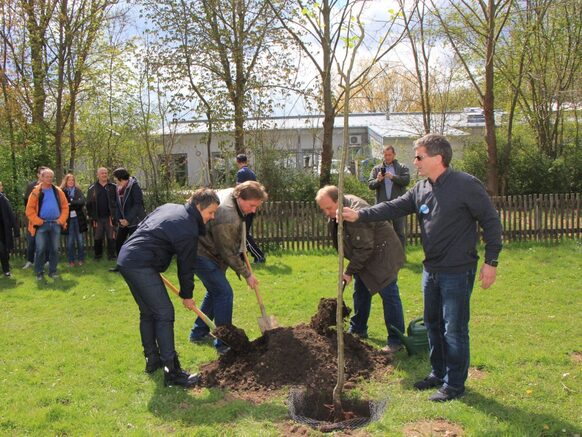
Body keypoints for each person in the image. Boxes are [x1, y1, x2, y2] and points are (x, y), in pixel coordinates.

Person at [343, 134, 503, 402]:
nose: (414, 162)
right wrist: (360, 214)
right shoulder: (421, 188)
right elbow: (393, 207)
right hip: (431, 270)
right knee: (433, 324)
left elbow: (491, 222)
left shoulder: (466, 185)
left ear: (437, 158)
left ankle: (454, 385)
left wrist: (491, 261)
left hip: (457, 269)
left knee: (454, 328)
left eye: (419, 157)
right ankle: (438, 373)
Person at [117, 188, 220, 387]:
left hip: (127, 258)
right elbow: (186, 266)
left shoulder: (170, 208)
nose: (212, 216)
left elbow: (146, 228)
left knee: (148, 312)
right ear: (199, 207)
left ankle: (153, 361)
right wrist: (187, 296)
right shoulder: (187, 228)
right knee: (164, 313)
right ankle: (172, 373)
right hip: (140, 263)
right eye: (210, 212)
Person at [316, 185, 406, 352]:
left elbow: (365, 248)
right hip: (366, 256)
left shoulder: (355, 213)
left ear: (338, 200)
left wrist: (349, 271)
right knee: (362, 291)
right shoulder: (338, 211)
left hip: (382, 255)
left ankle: (396, 341)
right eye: (323, 209)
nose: (326, 213)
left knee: (389, 294)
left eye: (328, 208)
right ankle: (358, 329)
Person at [189, 181, 267, 353]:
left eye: (257, 206)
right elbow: (227, 252)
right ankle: (224, 344)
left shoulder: (235, 196)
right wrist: (247, 274)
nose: (254, 210)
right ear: (240, 197)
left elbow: (235, 240)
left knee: (215, 291)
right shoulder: (227, 215)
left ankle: (198, 333)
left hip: (209, 250)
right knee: (224, 292)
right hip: (201, 253)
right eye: (252, 205)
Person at [25, 168, 69, 281]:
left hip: (55, 224)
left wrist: (62, 219)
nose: (49, 179)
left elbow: (65, 207)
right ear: (42, 178)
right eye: (47, 177)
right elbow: (29, 210)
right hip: (41, 225)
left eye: (51, 177)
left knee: (55, 249)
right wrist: (38, 221)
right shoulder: (36, 192)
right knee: (40, 249)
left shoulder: (58, 191)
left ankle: (53, 272)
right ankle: (39, 273)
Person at [368, 145, 410, 249]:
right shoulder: (377, 169)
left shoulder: (402, 167)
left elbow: (406, 181)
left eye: (389, 155)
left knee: (399, 232)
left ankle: (400, 257)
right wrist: (378, 180)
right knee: (383, 232)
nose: (387, 157)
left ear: (394, 155)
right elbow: (370, 185)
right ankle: (385, 257)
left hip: (398, 205)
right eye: (385, 155)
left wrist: (393, 177)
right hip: (382, 206)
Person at [110, 168, 145, 272]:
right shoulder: (118, 188)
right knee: (119, 242)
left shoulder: (134, 187)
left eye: (116, 179)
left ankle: (138, 266)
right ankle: (120, 266)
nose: (115, 181)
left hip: (135, 221)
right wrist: (119, 219)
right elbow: (117, 205)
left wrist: (128, 220)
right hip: (123, 222)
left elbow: (137, 205)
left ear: (121, 179)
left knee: (136, 244)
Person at [235, 154, 265, 264]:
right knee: (242, 233)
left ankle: (259, 256)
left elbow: (238, 190)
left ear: (238, 162)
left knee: (244, 234)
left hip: (246, 207)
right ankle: (242, 257)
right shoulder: (252, 173)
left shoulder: (240, 173)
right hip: (253, 205)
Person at [86, 167, 117, 261]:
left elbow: (117, 202)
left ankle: (112, 256)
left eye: (106, 173)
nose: (104, 175)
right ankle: (97, 256)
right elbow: (88, 204)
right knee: (97, 237)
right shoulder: (92, 188)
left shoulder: (113, 187)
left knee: (111, 237)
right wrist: (92, 216)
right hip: (97, 218)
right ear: (98, 175)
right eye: (102, 173)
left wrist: (115, 215)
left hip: (109, 218)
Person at [22, 166, 48, 269]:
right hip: (33, 218)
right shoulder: (31, 186)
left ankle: (47, 260)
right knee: (31, 240)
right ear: (38, 175)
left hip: (45, 218)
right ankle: (30, 260)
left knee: (46, 240)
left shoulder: (49, 187)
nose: (43, 176)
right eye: (42, 174)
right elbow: (26, 201)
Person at [60, 174, 88, 267]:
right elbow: (63, 205)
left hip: (78, 219)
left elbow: (82, 202)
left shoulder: (78, 190)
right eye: (69, 180)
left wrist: (71, 203)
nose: (71, 182)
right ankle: (71, 261)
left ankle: (81, 259)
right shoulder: (62, 192)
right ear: (66, 181)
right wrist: (75, 203)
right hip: (68, 219)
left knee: (80, 240)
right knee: (70, 241)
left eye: (72, 180)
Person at [0, 182, 20, 277]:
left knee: (4, 250)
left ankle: (6, 270)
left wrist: (16, 230)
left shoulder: (4, 199)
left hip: (3, 230)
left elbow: (11, 215)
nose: (1, 187)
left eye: (1, 185)